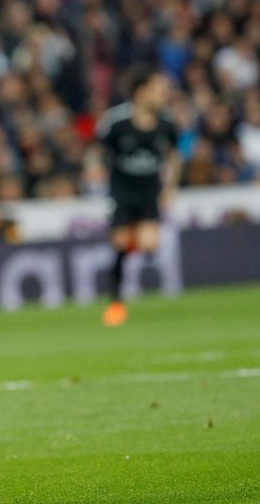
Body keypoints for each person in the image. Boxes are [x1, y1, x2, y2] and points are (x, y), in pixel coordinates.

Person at [98, 67, 180, 327]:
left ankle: (130, 235)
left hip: (149, 193)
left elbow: (174, 157)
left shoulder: (166, 123)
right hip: (122, 192)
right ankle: (116, 302)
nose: (163, 95)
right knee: (121, 245)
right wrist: (97, 174)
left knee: (149, 245)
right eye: (158, 89)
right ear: (141, 92)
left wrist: (170, 188)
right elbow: (99, 152)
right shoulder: (117, 121)